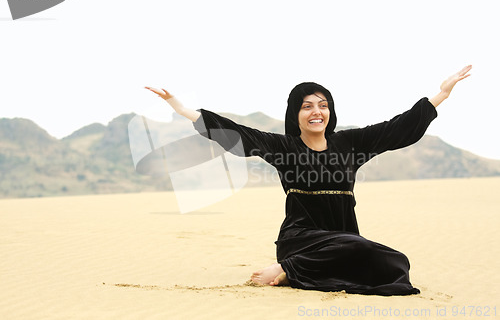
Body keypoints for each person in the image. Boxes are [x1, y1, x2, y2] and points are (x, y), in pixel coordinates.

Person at [145, 65, 472, 295]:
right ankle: (288, 268)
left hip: (342, 241)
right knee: (357, 248)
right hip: (301, 240)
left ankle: (300, 272)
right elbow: (237, 134)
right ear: (295, 114)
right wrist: (181, 108)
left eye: (323, 105)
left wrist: (440, 94)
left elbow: (395, 129)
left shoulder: (350, 144)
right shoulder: (283, 147)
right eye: (307, 106)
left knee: (395, 262)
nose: (316, 111)